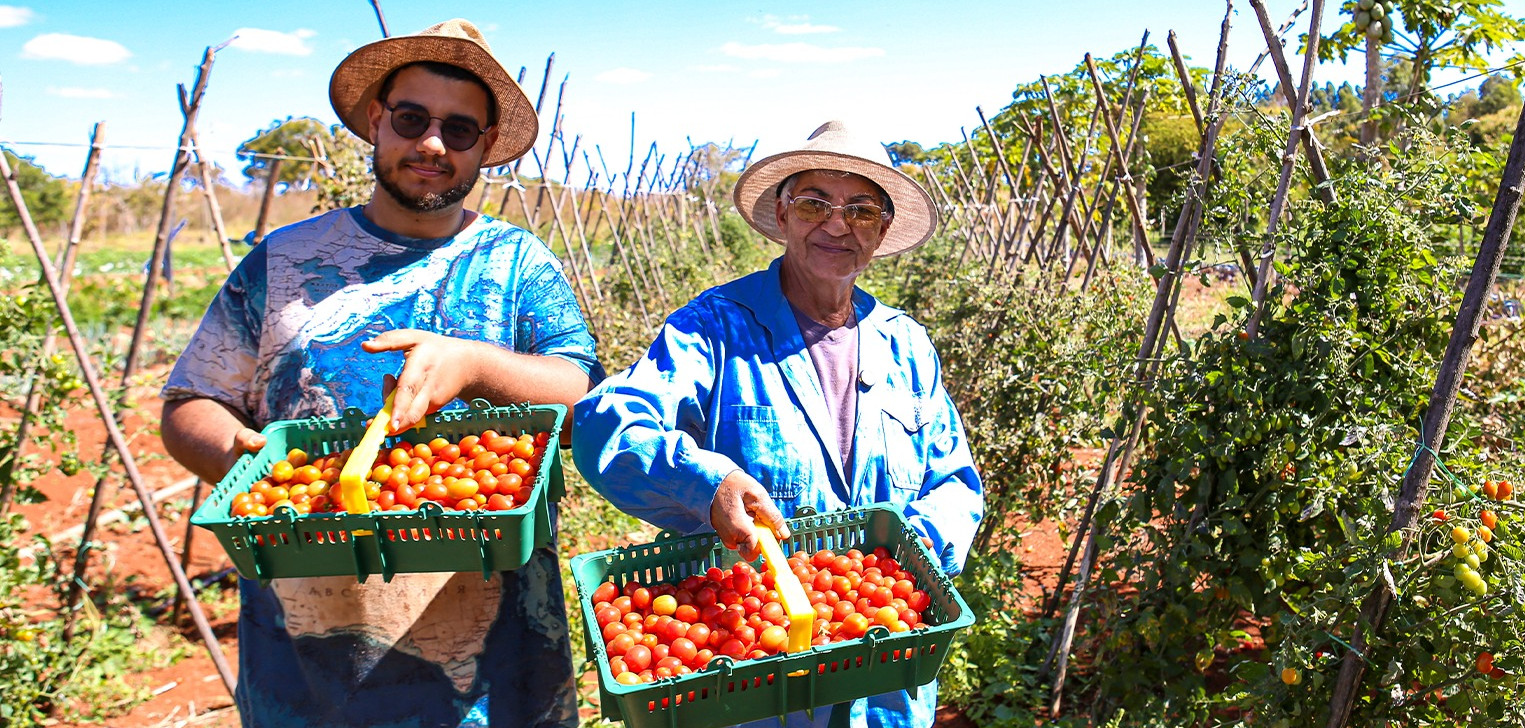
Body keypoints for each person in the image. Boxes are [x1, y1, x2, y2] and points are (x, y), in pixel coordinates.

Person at [160, 19, 599, 728]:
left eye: (459, 130)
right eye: (412, 118)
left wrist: (478, 365)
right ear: (376, 120)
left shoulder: (519, 265)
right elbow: (191, 402)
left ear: (486, 145)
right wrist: (243, 459)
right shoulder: (281, 262)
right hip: (308, 657)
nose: (432, 143)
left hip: (492, 671)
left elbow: (582, 396)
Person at [570, 120, 983, 728]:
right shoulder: (712, 328)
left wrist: (903, 562)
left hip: (883, 676)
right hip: (749, 662)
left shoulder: (906, 345)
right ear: (783, 215)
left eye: (862, 209)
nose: (837, 224)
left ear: (883, 231)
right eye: (815, 202)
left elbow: (954, 481)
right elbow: (609, 423)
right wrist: (705, 483)